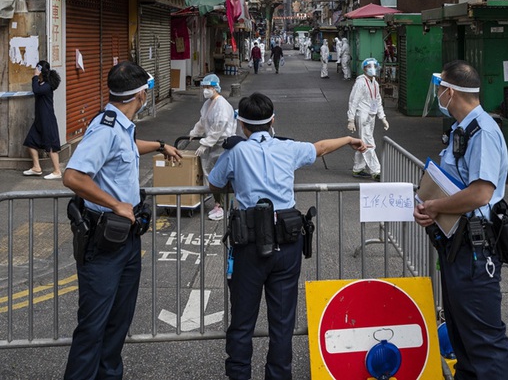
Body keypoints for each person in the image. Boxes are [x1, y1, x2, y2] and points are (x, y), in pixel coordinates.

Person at [208, 92, 369, 380]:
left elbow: (214, 183)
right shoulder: (288, 148)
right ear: (272, 121)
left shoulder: (235, 152)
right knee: (282, 323)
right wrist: (348, 140)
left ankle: (239, 374)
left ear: (242, 125)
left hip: (250, 245)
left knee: (242, 321)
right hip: (288, 243)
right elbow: (319, 148)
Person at [62, 61, 182, 380]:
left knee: (117, 325)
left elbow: (125, 148)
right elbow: (72, 175)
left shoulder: (122, 128)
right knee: (93, 328)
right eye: (147, 90)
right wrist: (116, 204)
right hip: (103, 243)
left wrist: (159, 146)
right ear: (141, 94)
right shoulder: (105, 128)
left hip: (126, 240)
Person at [413, 60, 508, 380]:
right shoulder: (462, 129)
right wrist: (432, 205)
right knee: (462, 338)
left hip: (476, 248)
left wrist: (436, 205)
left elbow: (480, 194)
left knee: (484, 340)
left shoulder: (483, 132)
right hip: (458, 244)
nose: (438, 95)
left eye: (441, 88)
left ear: (451, 92)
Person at [189, 73, 237, 220]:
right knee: (211, 174)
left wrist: (205, 143)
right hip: (213, 144)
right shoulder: (208, 104)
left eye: (209, 87)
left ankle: (221, 207)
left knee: (219, 176)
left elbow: (219, 126)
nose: (206, 90)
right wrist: (195, 132)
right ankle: (217, 202)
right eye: (204, 87)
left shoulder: (221, 105)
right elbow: (203, 121)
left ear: (216, 87)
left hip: (221, 144)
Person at [346, 58, 389, 182]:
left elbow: (377, 100)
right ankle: (376, 171)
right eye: (369, 66)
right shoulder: (361, 83)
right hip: (363, 115)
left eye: (374, 66)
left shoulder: (374, 82)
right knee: (369, 143)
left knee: (363, 142)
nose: (372, 69)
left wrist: (383, 117)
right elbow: (353, 101)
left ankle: (358, 168)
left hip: (371, 115)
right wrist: (351, 119)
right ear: (364, 69)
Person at [22, 60, 63, 179]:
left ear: (41, 71)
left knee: (50, 146)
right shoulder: (43, 83)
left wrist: (35, 76)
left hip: (47, 119)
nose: (35, 70)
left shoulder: (47, 85)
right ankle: (36, 168)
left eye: (37, 69)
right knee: (31, 141)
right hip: (40, 120)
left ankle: (57, 171)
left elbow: (36, 90)